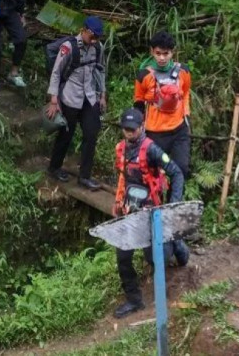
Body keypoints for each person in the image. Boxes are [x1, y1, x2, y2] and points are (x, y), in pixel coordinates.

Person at [111, 108, 187, 318]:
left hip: (152, 210)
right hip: (130, 209)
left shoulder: (152, 149)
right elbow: (122, 177)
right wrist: (118, 201)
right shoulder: (121, 149)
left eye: (133, 130)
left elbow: (176, 173)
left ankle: (178, 247)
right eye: (126, 130)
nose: (129, 133)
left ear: (142, 127)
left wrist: (173, 206)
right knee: (123, 255)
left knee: (154, 257)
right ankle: (134, 300)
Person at [45, 16, 107, 187]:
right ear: (84, 30)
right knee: (66, 134)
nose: (94, 40)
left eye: (97, 38)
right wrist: (53, 100)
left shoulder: (98, 48)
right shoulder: (69, 47)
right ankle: (54, 167)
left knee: (91, 134)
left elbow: (101, 71)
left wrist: (102, 95)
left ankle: (85, 176)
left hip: (90, 96)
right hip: (70, 96)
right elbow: (56, 73)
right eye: (92, 36)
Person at [133, 30, 192, 180]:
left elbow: (185, 94)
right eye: (158, 53)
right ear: (152, 51)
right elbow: (138, 101)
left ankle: (175, 202)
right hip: (155, 131)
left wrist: (186, 115)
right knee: (152, 172)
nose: (162, 58)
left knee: (181, 170)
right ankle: (154, 202)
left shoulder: (183, 71)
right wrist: (137, 128)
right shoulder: (143, 75)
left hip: (179, 129)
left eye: (166, 53)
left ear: (172, 52)